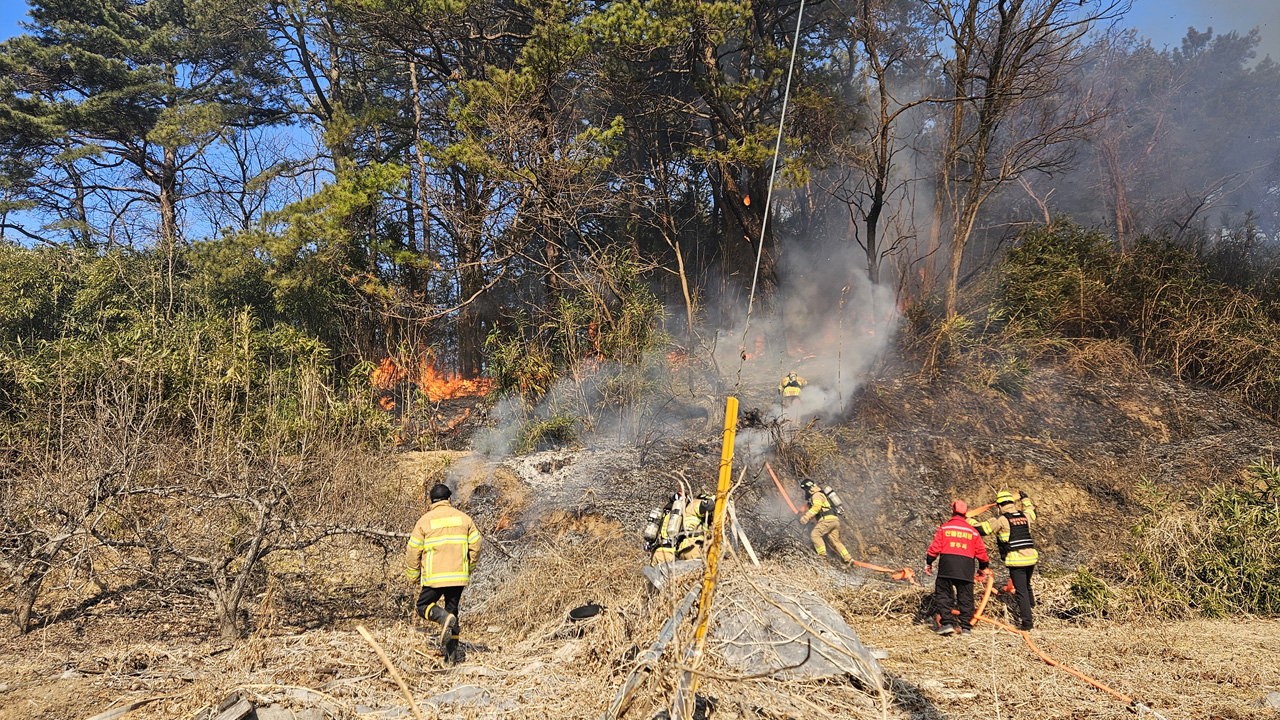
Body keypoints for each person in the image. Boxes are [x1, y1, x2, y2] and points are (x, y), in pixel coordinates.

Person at [406, 483, 482, 661]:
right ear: (449, 499)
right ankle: (451, 658)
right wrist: (468, 568)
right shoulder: (465, 519)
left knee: (422, 606)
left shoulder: (424, 521)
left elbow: (413, 550)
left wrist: (413, 575)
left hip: (434, 577)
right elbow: (476, 546)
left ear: (431, 501)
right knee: (453, 612)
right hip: (458, 576)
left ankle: (442, 618)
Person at [970, 491, 1038, 631]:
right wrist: (1025, 498)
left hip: (1017, 560)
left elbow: (983, 529)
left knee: (1021, 591)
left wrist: (967, 520)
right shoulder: (1024, 515)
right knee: (1027, 585)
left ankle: (1027, 623)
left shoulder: (1002, 519)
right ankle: (1033, 609)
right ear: (1013, 503)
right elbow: (1032, 510)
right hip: (1031, 558)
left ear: (999, 506)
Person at [925, 499, 990, 636]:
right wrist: (983, 568)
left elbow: (935, 547)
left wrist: (929, 562)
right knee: (965, 597)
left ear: (952, 511)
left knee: (944, 594)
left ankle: (947, 623)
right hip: (966, 567)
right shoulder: (972, 531)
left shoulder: (945, 528)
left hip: (947, 565)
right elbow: (982, 554)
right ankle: (966, 627)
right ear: (966, 514)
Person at [800, 480, 852, 565]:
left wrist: (806, 516)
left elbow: (817, 507)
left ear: (807, 488)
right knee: (835, 541)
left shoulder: (816, 495)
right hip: (834, 521)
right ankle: (848, 559)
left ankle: (823, 558)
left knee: (815, 535)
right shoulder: (822, 494)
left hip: (827, 520)